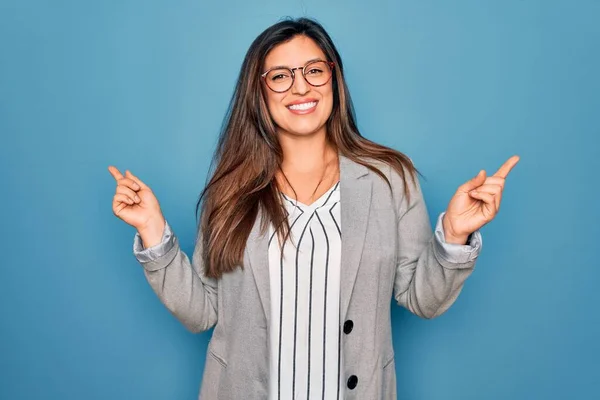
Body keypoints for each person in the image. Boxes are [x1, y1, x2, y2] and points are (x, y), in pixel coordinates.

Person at [108, 17, 518, 400]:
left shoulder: (390, 177)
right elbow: (202, 312)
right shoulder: (230, 189)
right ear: (259, 91)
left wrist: (455, 237)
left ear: (334, 79)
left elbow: (421, 299)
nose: (300, 88)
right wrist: (153, 231)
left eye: (314, 70)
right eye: (281, 76)